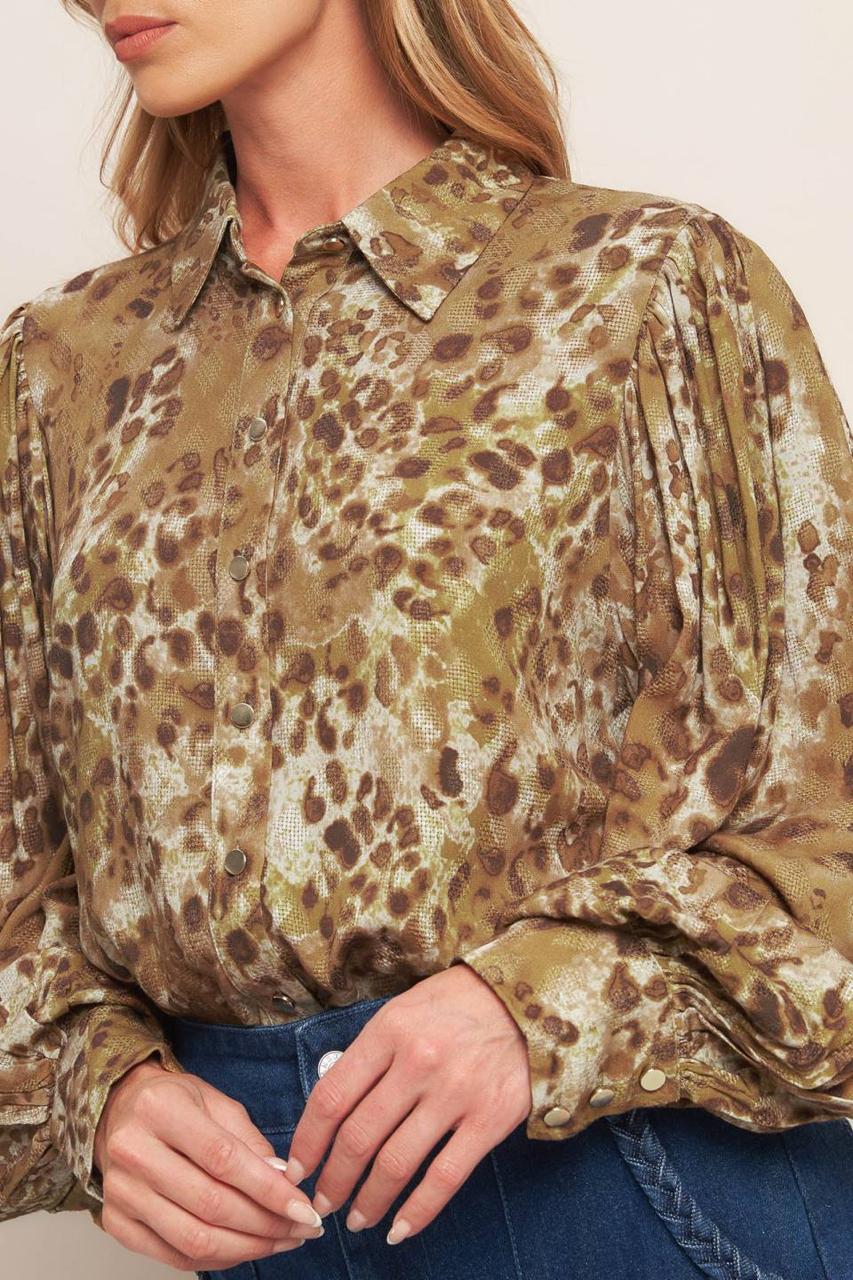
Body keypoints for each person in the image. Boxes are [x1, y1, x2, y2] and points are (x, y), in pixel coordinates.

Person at [1, 1, 851, 1277]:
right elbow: (20, 867)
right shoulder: (62, 371)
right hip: (269, 1220)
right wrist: (96, 1087)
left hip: (628, 1186)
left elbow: (824, 811)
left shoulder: (643, 287)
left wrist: (544, 1003)